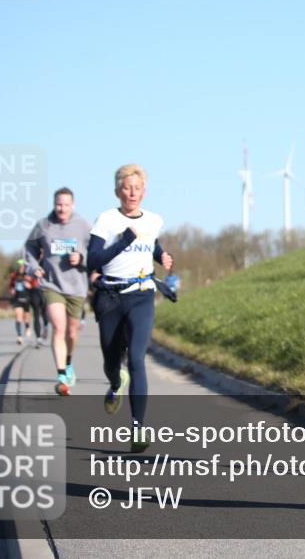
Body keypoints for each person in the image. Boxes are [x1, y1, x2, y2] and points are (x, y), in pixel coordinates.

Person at [87, 164, 173, 453]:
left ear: (144, 191)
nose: (132, 193)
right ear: (117, 191)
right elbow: (93, 259)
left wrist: (162, 256)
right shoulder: (107, 220)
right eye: (126, 187)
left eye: (137, 188)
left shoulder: (153, 220)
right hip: (111, 296)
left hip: (141, 295)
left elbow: (151, 242)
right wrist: (124, 240)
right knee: (112, 359)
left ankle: (138, 427)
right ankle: (115, 381)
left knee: (137, 358)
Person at [25, 187, 93, 396]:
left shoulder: (83, 226)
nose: (61, 209)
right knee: (58, 327)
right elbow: (30, 248)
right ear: (54, 204)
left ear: (73, 205)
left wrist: (82, 258)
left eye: (65, 205)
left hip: (77, 286)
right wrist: (33, 266)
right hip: (51, 284)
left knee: (72, 333)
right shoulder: (44, 226)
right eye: (58, 204)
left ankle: (69, 361)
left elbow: (97, 252)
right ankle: (61, 375)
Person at [6, 259, 37, 344]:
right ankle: (19, 337)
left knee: (26, 316)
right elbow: (11, 285)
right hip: (17, 299)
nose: (21, 268)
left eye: (23, 266)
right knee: (18, 316)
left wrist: (30, 285)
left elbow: (35, 285)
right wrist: (11, 290)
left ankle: (27, 326)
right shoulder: (14, 276)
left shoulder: (28, 275)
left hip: (26, 298)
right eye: (20, 266)